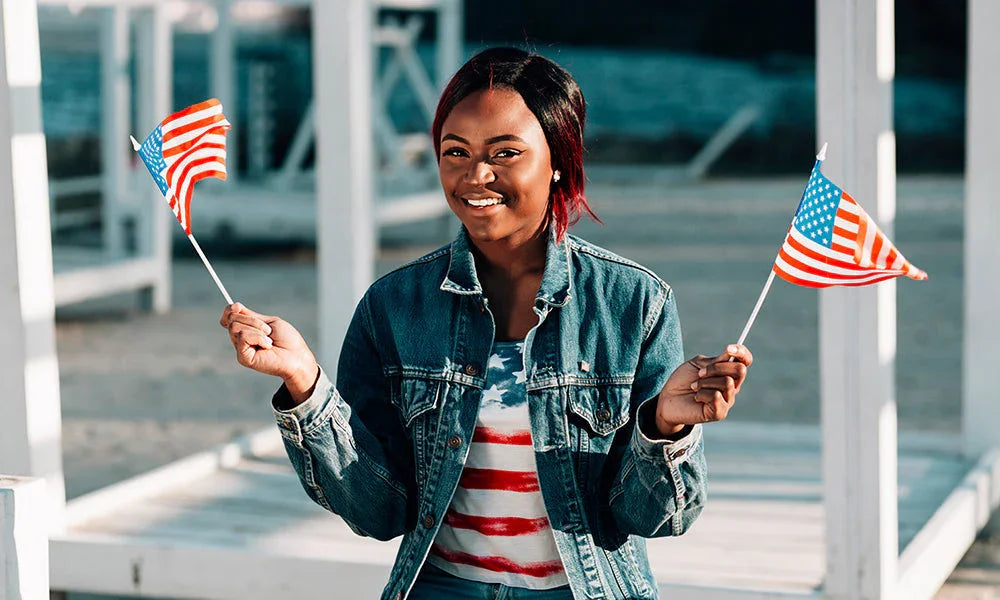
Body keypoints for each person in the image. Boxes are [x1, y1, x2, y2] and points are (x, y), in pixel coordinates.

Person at [220, 47, 752, 600]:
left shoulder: (634, 303)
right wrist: (305, 388)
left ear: (558, 162)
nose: (476, 175)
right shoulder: (392, 306)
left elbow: (654, 517)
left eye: (505, 153)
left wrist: (664, 428)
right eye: (456, 152)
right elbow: (379, 512)